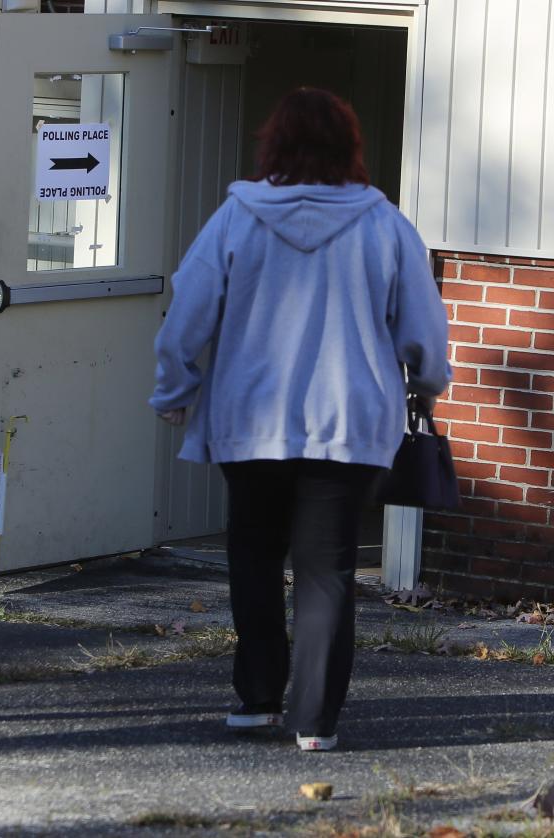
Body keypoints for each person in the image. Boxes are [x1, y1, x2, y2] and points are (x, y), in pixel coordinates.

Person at [149, 88, 450, 752]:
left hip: (251, 422)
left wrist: (174, 390)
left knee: (253, 557)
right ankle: (314, 721)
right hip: (349, 426)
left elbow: (185, 317)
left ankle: (258, 699)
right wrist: (426, 391)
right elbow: (425, 333)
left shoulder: (236, 218)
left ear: (274, 144)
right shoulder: (385, 225)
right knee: (327, 570)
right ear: (350, 147)